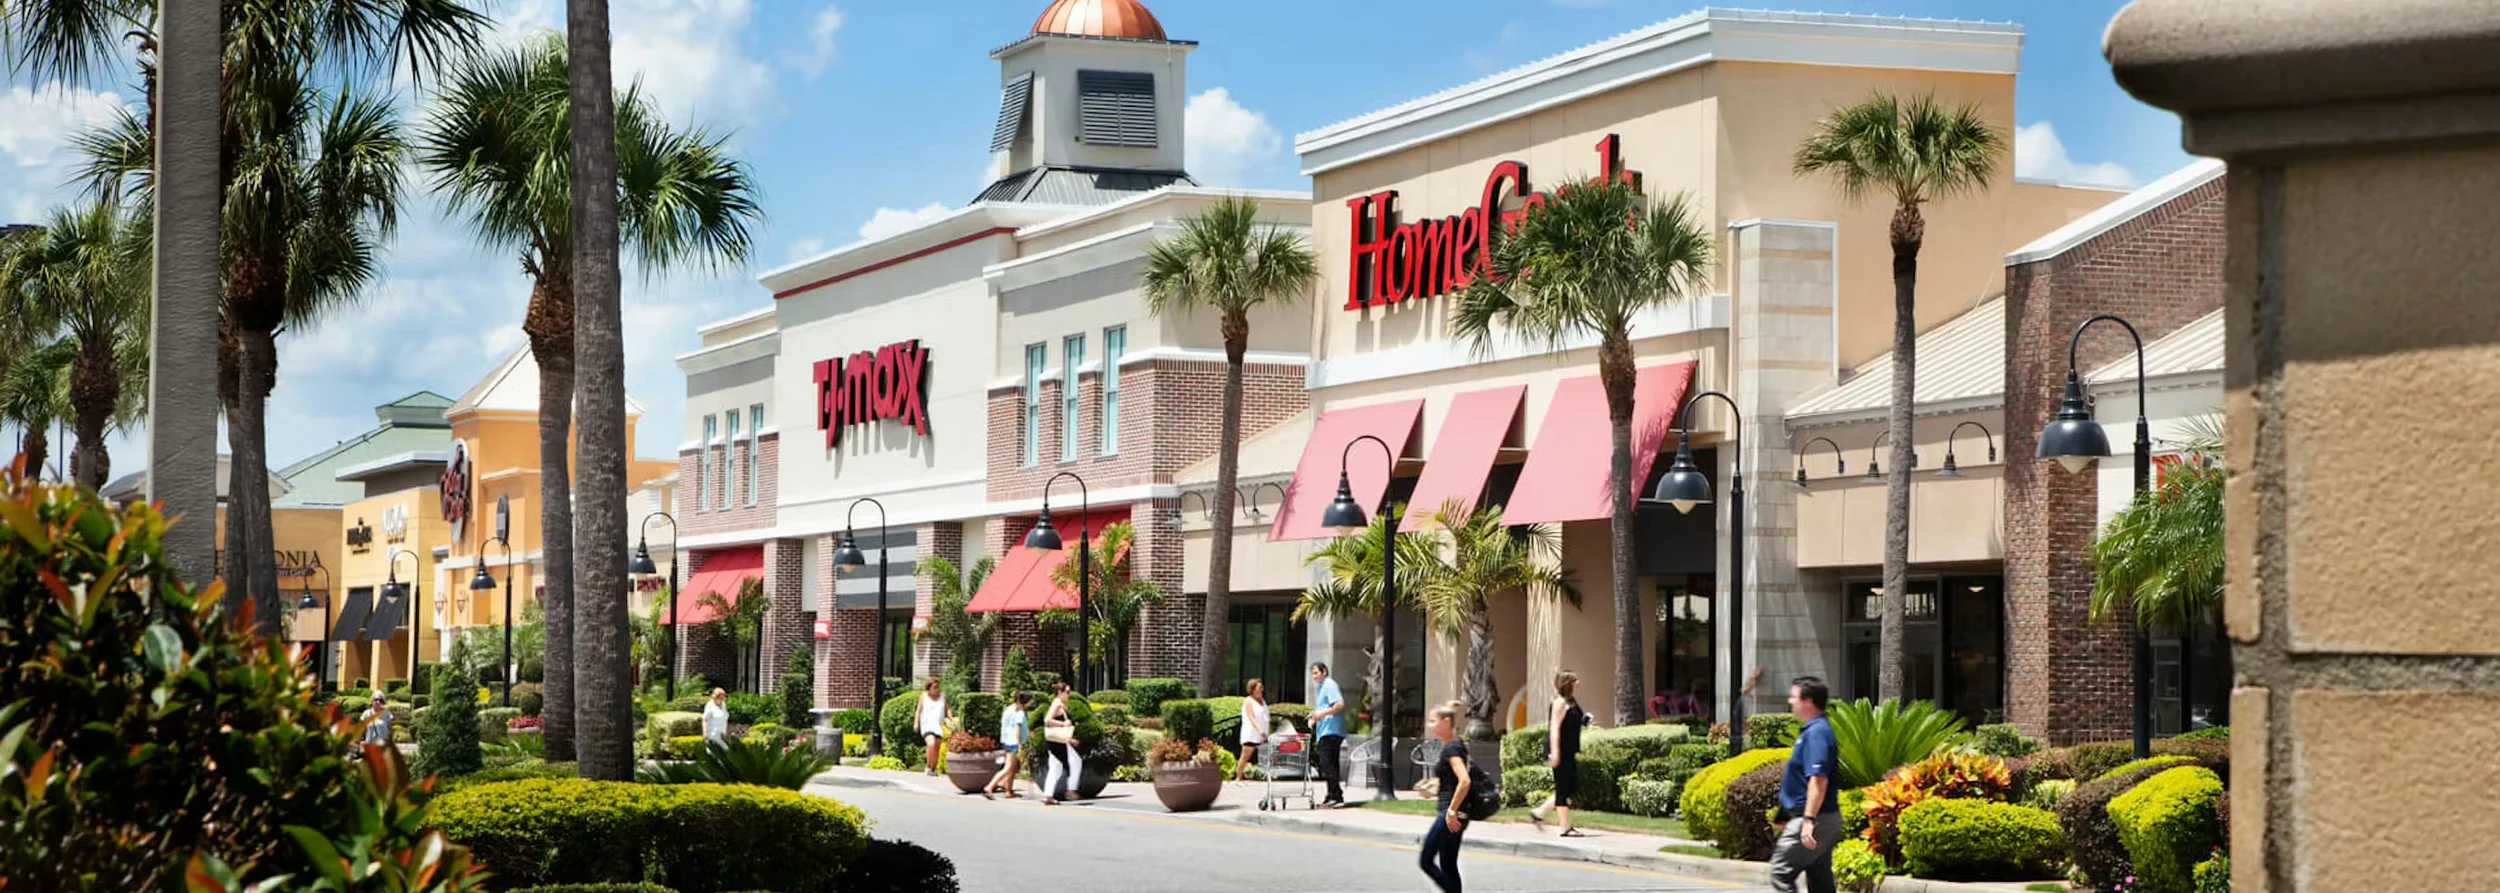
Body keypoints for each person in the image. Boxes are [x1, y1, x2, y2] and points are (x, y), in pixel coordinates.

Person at [1770, 676, 1843, 893]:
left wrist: (1809, 820)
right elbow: (1799, 780)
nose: (1790, 701)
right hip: (1812, 816)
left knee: (1781, 871)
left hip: (1815, 818)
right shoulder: (1812, 731)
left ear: (1808, 701)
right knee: (1819, 879)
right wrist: (1786, 814)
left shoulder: (1817, 733)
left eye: (1794, 697)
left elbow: (1818, 779)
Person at [1418, 701, 1472, 893]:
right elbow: (1452, 779)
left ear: (1446, 721)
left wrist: (1451, 811)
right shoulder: (1454, 745)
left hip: (1451, 814)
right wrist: (1433, 785)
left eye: (1433, 721)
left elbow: (1464, 781)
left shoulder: (1452, 749)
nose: (1429, 725)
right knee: (1448, 864)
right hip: (1457, 813)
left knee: (1425, 860)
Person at [1529, 671, 1586, 836]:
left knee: (1568, 787)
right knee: (1563, 788)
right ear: (1567, 683)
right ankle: (1564, 827)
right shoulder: (1559, 703)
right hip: (1560, 750)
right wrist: (1555, 752)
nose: (1578, 683)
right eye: (1575, 680)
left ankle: (1539, 813)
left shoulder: (1571, 702)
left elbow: (1572, 721)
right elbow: (1554, 728)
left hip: (1569, 750)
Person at [1308, 662, 1349, 807]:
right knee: (1331, 764)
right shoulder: (1321, 687)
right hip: (1325, 730)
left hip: (1331, 731)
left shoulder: (1329, 684)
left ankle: (1336, 795)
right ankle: (1332, 795)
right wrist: (1315, 716)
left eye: (1316, 673)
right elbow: (1325, 707)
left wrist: (1321, 714)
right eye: (1312, 674)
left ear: (1324, 671)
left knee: (1326, 764)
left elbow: (1339, 704)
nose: (1314, 676)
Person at [1039, 681, 1080, 805]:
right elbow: (1047, 720)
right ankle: (1069, 790)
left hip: (1060, 740)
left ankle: (1049, 794)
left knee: (1057, 767)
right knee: (1068, 763)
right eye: (1067, 692)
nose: (1069, 694)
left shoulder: (1060, 704)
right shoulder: (1056, 704)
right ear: (1059, 693)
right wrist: (1063, 724)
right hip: (1056, 742)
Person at [986, 691, 1031, 800]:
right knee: (1008, 767)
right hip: (1013, 743)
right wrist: (1019, 744)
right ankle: (990, 786)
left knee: (1012, 768)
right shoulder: (1018, 713)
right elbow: (1017, 729)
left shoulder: (1015, 710)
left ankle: (1008, 790)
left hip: (1009, 742)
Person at [916, 679, 948, 777]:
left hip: (939, 725)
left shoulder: (943, 697)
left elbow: (947, 710)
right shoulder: (924, 697)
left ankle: (933, 768)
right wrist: (916, 723)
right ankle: (928, 766)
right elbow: (918, 711)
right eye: (934, 687)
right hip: (927, 724)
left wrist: (952, 720)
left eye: (938, 687)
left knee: (937, 747)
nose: (937, 689)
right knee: (931, 743)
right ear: (928, 688)